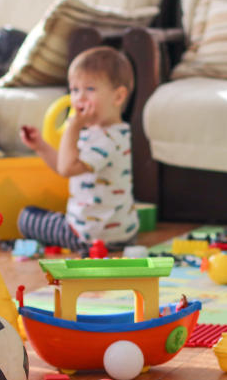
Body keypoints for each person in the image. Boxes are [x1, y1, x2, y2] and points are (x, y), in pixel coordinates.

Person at [18, 46, 139, 252]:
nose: (79, 98)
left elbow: (66, 169)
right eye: (75, 90)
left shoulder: (107, 138)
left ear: (118, 97)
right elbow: (65, 166)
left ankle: (83, 242)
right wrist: (41, 146)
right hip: (124, 233)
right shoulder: (117, 133)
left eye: (90, 89)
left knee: (26, 217)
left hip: (88, 235)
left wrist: (73, 127)